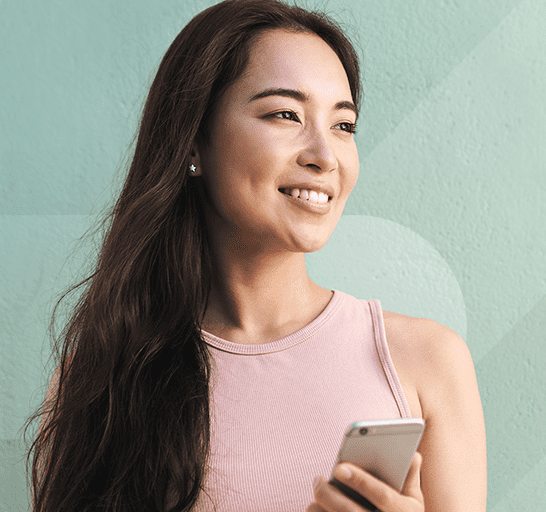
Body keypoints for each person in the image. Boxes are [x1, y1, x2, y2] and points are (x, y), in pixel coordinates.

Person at [24, 1, 486, 510]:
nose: (325, 156)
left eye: (343, 125)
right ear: (194, 143)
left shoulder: (425, 363)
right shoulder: (101, 373)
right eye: (285, 114)